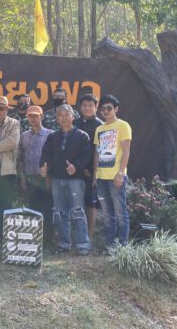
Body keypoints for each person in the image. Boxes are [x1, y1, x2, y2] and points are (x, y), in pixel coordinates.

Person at [40, 104, 92, 255]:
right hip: (56, 179)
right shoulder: (52, 137)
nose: (63, 118)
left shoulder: (82, 136)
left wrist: (76, 166)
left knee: (77, 211)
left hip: (75, 180)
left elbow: (87, 155)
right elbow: (45, 154)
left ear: (72, 116)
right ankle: (63, 244)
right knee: (60, 212)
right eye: (60, 115)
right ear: (57, 119)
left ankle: (82, 245)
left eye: (66, 115)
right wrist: (43, 166)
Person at [93, 94, 132, 248]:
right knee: (107, 214)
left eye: (109, 108)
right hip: (101, 177)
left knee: (120, 212)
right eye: (103, 108)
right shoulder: (99, 129)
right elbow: (97, 153)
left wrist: (121, 173)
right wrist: (95, 175)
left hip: (116, 176)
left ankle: (123, 247)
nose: (105, 111)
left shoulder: (123, 125)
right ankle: (110, 246)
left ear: (116, 109)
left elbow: (126, 151)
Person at [17, 105, 55, 247]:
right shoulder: (24, 136)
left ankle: (48, 242)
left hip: (45, 178)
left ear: (41, 117)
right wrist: (22, 177)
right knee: (33, 209)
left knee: (48, 209)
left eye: (35, 116)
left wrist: (49, 175)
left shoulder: (50, 134)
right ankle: (34, 241)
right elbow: (21, 159)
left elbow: (54, 157)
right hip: (30, 178)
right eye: (30, 116)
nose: (32, 118)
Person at [74, 94, 104, 244]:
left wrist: (91, 171)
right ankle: (77, 237)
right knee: (75, 204)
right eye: (84, 105)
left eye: (90, 105)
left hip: (91, 172)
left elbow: (99, 151)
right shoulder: (75, 123)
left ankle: (89, 239)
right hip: (75, 170)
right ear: (80, 107)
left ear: (96, 107)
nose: (87, 108)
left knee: (90, 204)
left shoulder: (100, 125)